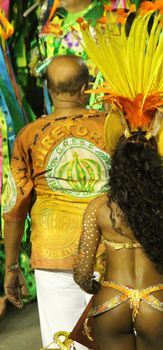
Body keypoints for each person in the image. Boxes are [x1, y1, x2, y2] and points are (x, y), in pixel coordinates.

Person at [71, 4, 163, 350]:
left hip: (112, 302)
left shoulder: (99, 208)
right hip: (158, 303)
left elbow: (81, 272)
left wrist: (98, 287)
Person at [3, 54, 111, 349]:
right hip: (111, 252)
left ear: (49, 90)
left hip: (53, 258)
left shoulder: (28, 136)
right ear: (86, 87)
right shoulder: (112, 127)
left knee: (62, 342)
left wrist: (11, 267)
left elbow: (13, 210)